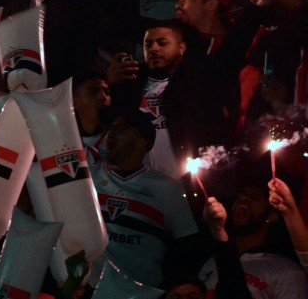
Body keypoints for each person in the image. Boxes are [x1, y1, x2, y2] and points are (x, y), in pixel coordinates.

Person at [107, 22, 237, 180]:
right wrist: (109, 84)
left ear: (181, 48)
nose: (154, 48)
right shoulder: (131, 83)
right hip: (135, 180)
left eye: (162, 43)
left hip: (186, 179)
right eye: (148, 44)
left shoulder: (198, 80)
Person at [90, 107, 200, 289]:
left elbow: (187, 243)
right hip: (92, 290)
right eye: (109, 128)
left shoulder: (167, 188)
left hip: (142, 291)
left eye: (120, 128)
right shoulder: (89, 176)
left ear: (143, 142)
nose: (110, 133)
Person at [204, 182, 308, 298]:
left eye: (254, 198)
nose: (243, 200)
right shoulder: (210, 264)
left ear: (271, 216)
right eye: (239, 196)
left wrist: (289, 211)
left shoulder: (287, 271)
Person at [71, 68, 111, 158]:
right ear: (74, 101)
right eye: (93, 92)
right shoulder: (65, 144)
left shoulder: (123, 140)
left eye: (106, 92)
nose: (103, 97)